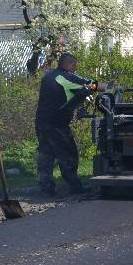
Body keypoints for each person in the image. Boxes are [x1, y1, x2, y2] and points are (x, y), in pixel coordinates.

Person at [36, 52, 95, 196]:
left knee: (46, 155)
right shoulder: (65, 77)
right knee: (69, 153)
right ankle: (75, 187)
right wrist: (111, 87)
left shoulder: (49, 76)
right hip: (57, 124)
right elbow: (90, 84)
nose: (76, 68)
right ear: (69, 64)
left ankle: (46, 188)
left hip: (41, 121)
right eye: (74, 65)